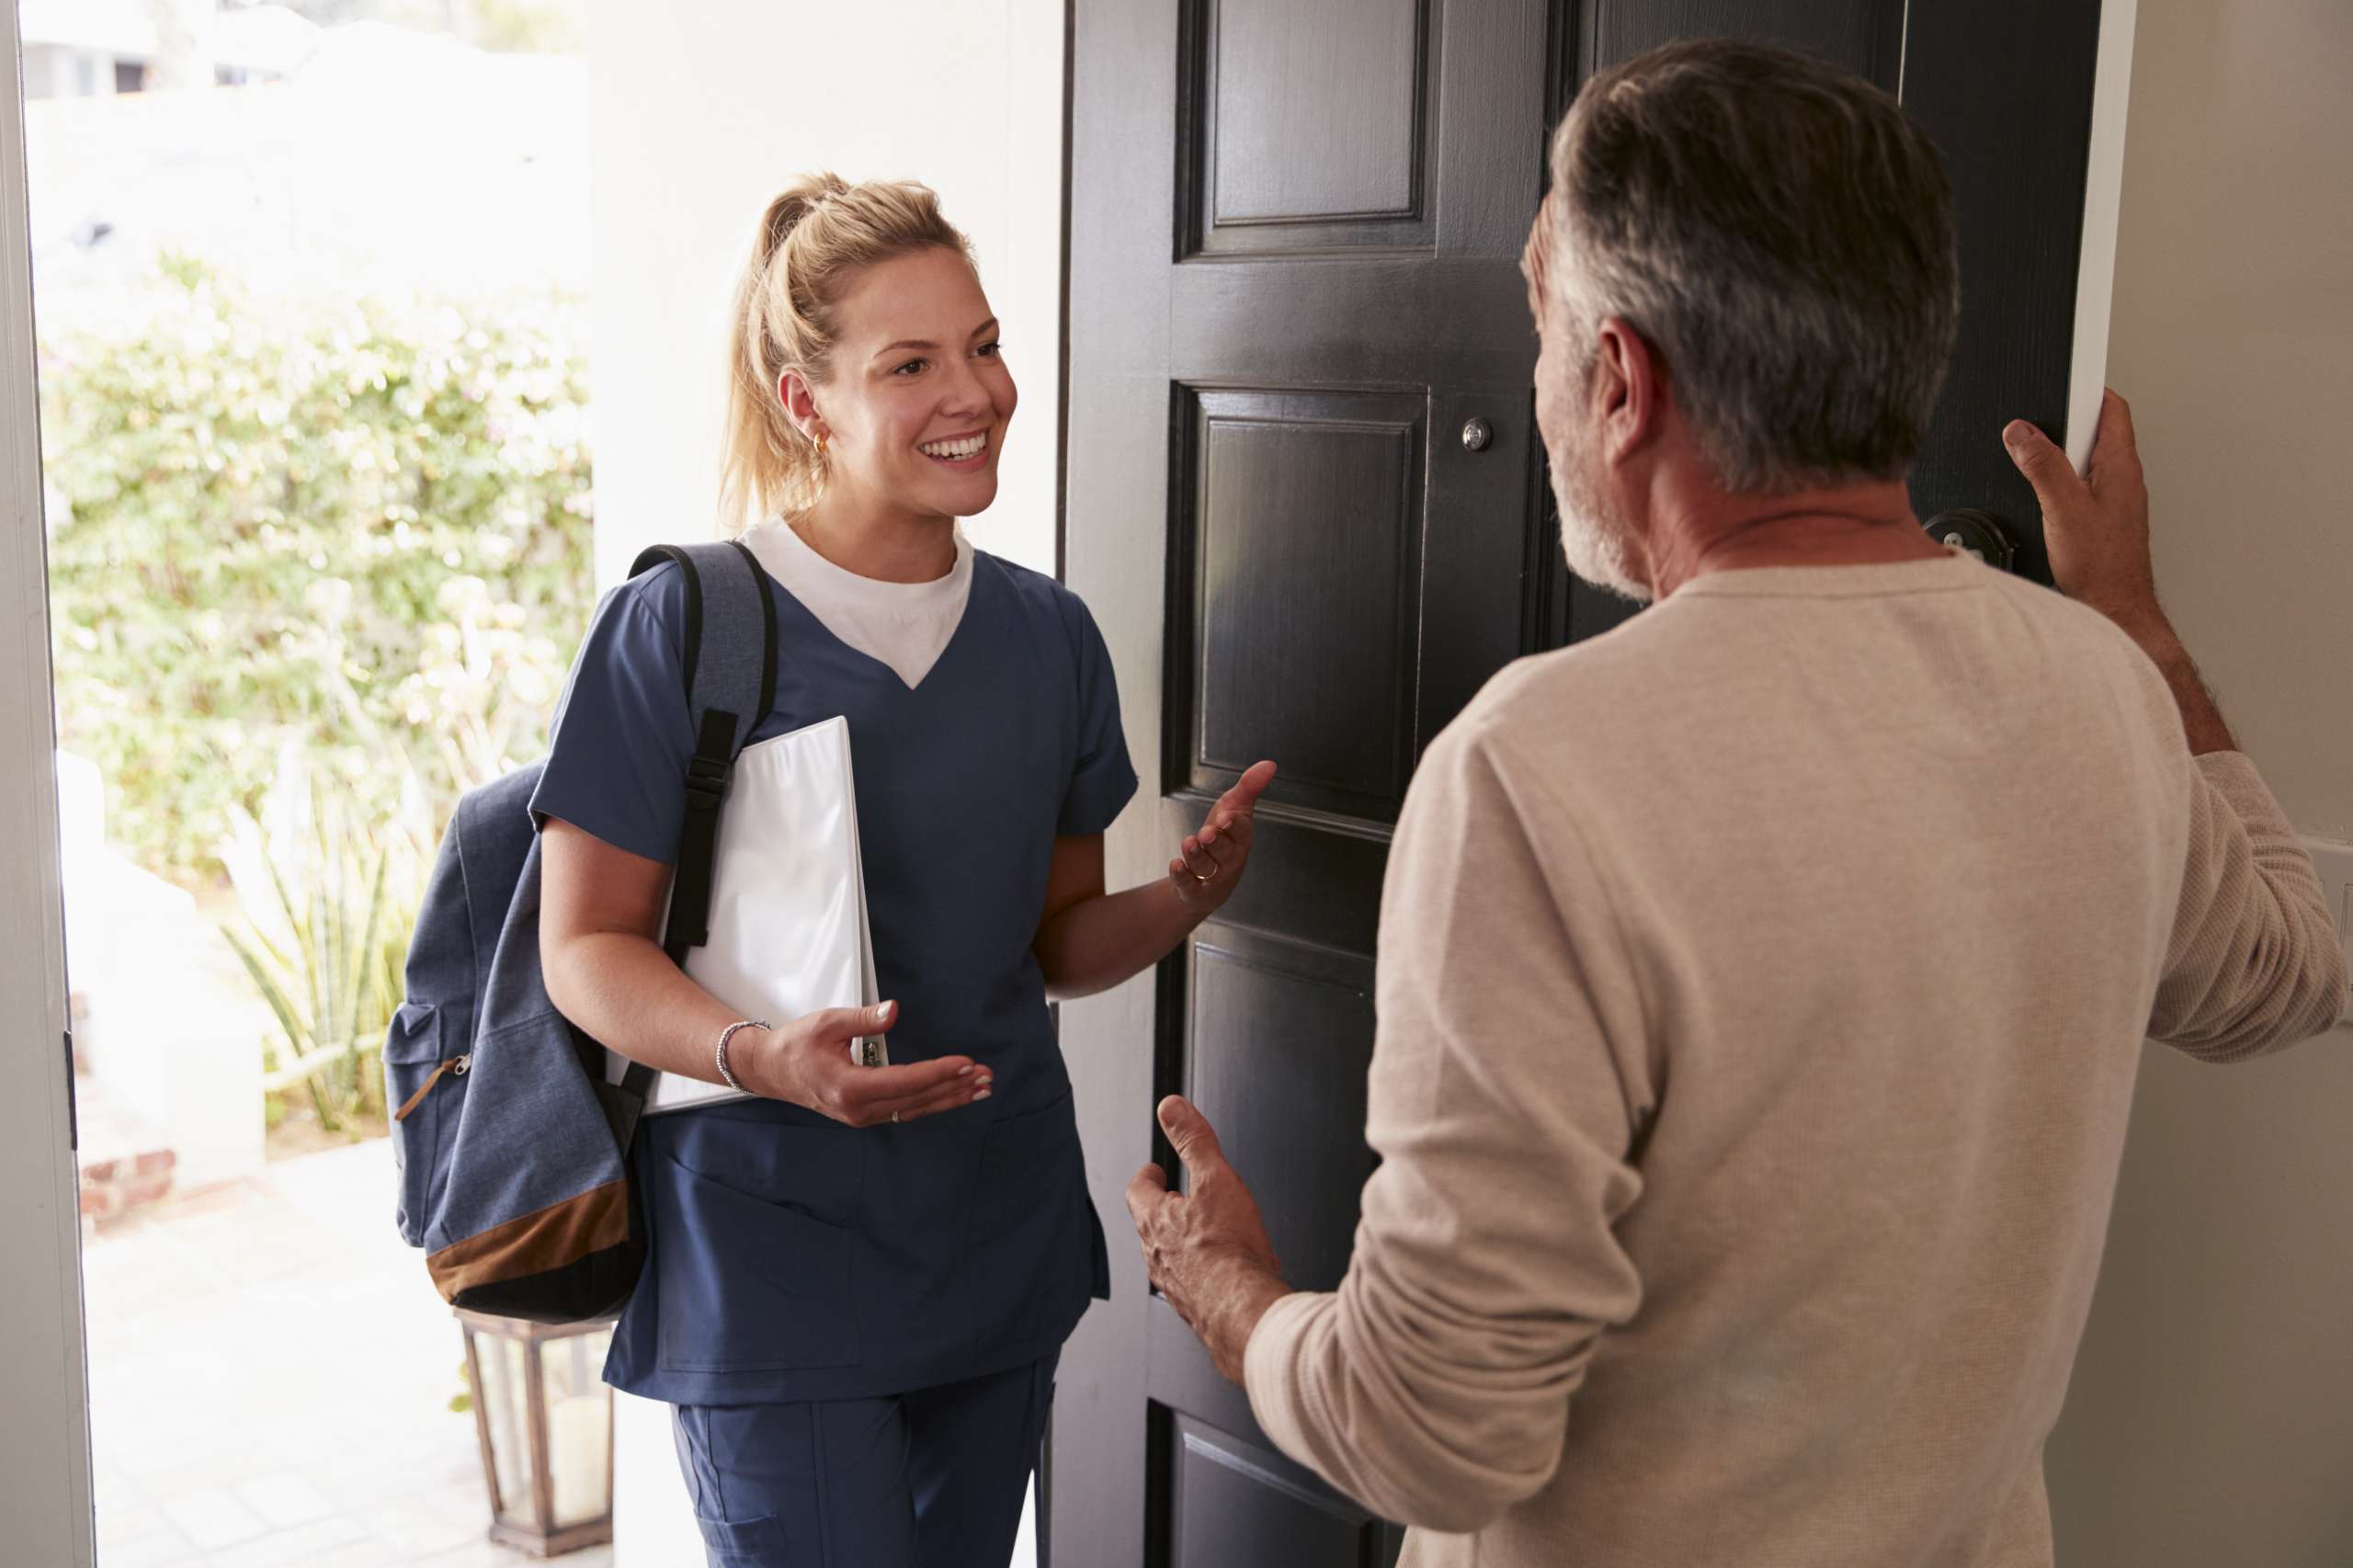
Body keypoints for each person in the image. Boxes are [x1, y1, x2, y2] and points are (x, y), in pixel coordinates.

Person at [1127, 39, 2347, 1568]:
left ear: (1621, 379)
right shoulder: (2104, 693)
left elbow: (1435, 1432)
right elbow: (2296, 968)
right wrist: (2144, 632)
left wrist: (1227, 1288)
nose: (1532, 376)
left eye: (1537, 321)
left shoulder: (1542, 767)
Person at [533, 174, 1275, 1568]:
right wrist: (763, 1054)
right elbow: (583, 951)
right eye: (912, 364)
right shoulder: (682, 621)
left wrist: (1186, 897)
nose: (977, 393)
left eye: (985, 346)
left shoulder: (1051, 638)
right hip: (770, 1251)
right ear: (804, 399)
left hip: (994, 1235)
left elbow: (1058, 943)